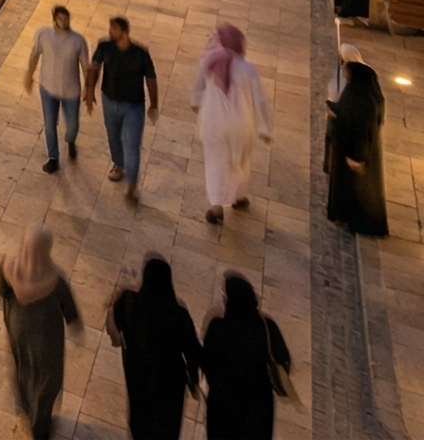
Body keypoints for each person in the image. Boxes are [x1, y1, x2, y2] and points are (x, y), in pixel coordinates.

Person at [0, 226, 80, 440]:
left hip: (19, 331)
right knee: (47, 379)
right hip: (46, 338)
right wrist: (76, 327)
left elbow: (1, 290)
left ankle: (26, 408)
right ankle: (40, 426)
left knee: (24, 369)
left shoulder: (9, 266)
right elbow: (70, 312)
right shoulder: (53, 279)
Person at [109, 257, 202, 440]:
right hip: (170, 381)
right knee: (167, 425)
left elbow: (115, 330)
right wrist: (193, 378)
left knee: (140, 418)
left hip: (139, 372)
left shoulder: (129, 301)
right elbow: (192, 351)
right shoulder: (178, 314)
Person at [192, 23, 271, 224]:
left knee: (215, 163)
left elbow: (197, 89)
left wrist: (195, 103)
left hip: (213, 122)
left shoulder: (208, 62)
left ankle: (216, 207)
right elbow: (260, 100)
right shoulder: (248, 69)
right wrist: (266, 129)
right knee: (240, 161)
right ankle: (238, 196)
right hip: (241, 124)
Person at [197, 275, 289, 440]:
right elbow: (283, 361)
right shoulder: (267, 326)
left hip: (223, 404)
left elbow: (207, 362)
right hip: (258, 405)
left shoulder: (218, 327)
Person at [92, 16, 159, 205]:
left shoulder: (140, 53)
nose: (110, 31)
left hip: (133, 105)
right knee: (113, 135)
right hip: (109, 100)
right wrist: (89, 91)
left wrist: (154, 104)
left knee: (132, 143)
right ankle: (118, 165)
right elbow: (95, 68)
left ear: (125, 32)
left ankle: (131, 185)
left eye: (113, 29)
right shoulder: (105, 46)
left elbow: (151, 78)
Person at [326, 44, 389, 236]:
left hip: (356, 152)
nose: (345, 75)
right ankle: (344, 216)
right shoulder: (357, 92)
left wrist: (357, 156)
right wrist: (332, 108)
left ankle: (358, 222)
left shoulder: (366, 100)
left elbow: (363, 130)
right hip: (346, 147)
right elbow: (345, 111)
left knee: (358, 191)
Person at [26, 5, 87, 173]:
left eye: (66, 18)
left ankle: (70, 140)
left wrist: (88, 88)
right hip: (48, 88)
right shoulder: (43, 35)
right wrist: (29, 75)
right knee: (50, 123)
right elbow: (34, 55)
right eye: (60, 19)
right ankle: (53, 157)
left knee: (72, 125)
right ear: (54, 20)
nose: (64, 21)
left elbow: (85, 66)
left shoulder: (78, 41)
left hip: (71, 91)